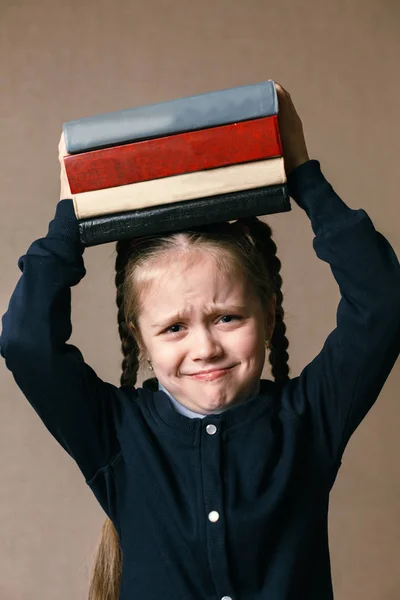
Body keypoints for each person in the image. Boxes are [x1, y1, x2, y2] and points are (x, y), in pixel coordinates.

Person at [1, 84, 399, 600]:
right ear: (138, 339)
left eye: (227, 317)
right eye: (173, 328)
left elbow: (383, 303)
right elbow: (26, 340)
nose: (205, 347)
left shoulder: (308, 420)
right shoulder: (116, 434)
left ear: (269, 314)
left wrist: (301, 172)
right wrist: (71, 215)